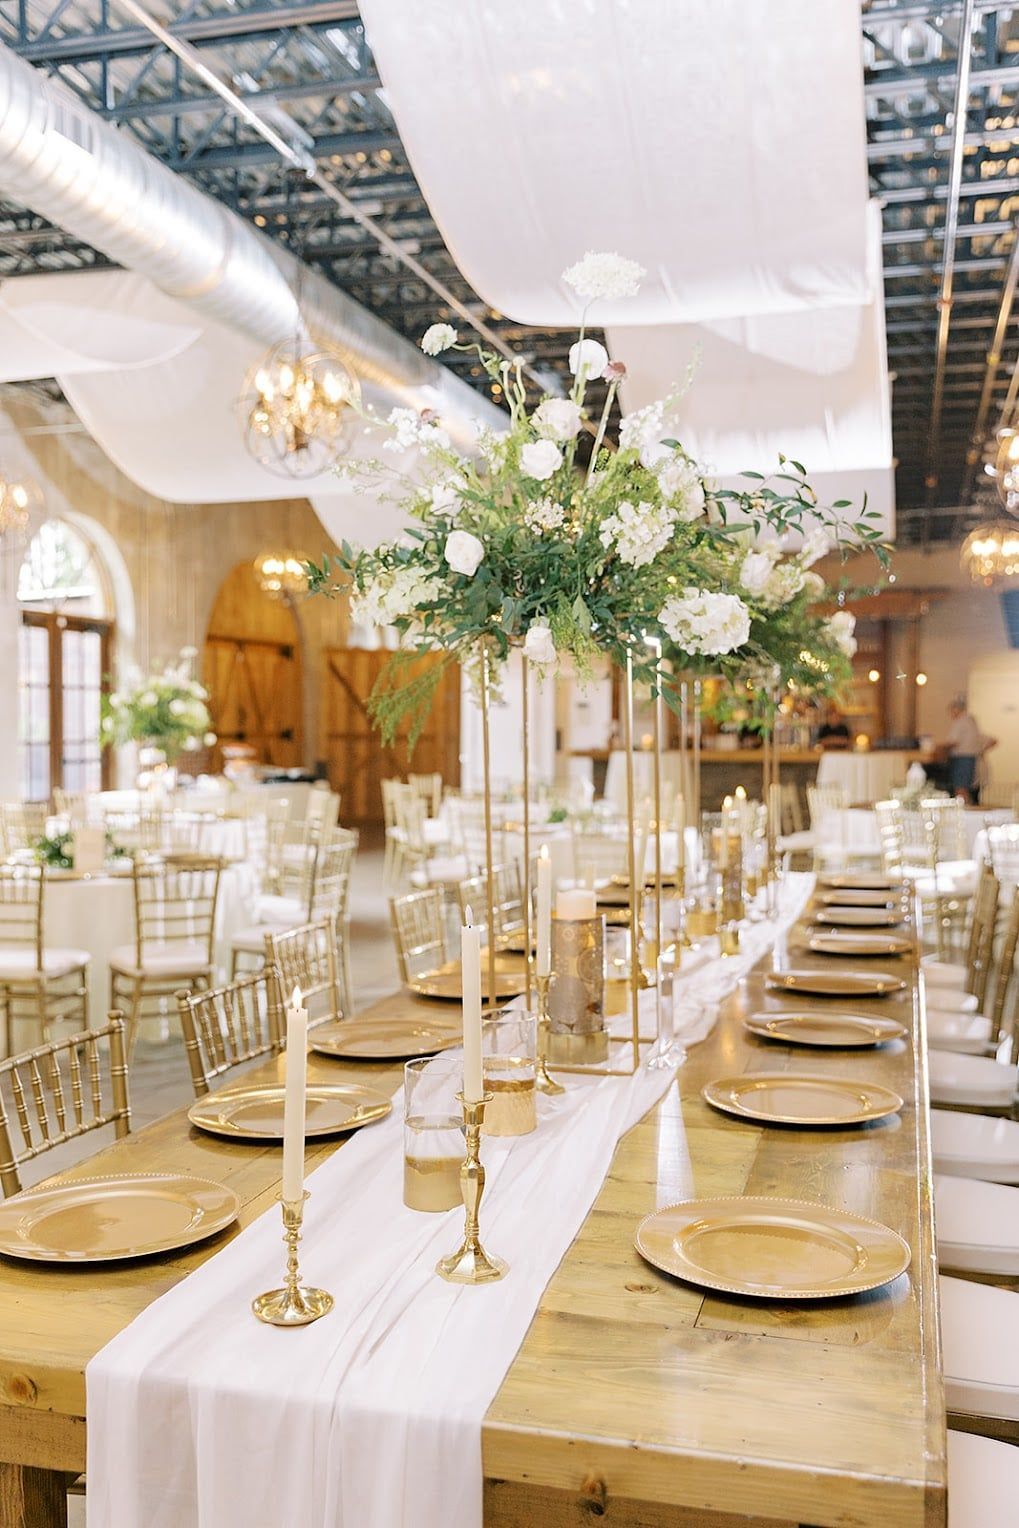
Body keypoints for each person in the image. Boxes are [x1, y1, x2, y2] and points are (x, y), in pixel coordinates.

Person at [943, 697, 996, 804]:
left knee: (960, 787)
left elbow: (953, 741)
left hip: (962, 759)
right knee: (966, 788)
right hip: (970, 759)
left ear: (956, 709)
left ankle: (962, 809)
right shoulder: (971, 722)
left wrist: (940, 748)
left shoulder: (961, 722)